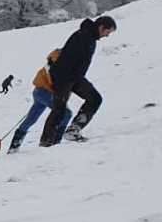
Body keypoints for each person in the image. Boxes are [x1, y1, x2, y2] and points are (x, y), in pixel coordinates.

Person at [39, 16, 116, 147]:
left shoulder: (89, 37)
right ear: (101, 27)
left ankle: (73, 130)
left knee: (95, 99)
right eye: (107, 32)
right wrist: (66, 85)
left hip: (75, 77)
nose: (107, 35)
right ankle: (46, 142)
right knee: (59, 109)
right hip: (63, 77)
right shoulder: (83, 36)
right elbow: (68, 59)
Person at [9, 51, 61, 152]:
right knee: (64, 113)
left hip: (39, 91)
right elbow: (57, 83)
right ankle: (54, 141)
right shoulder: (57, 62)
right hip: (44, 92)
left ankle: (14, 146)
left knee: (31, 119)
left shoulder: (56, 58)